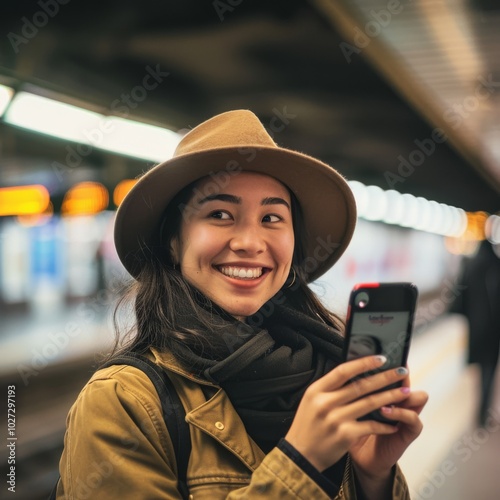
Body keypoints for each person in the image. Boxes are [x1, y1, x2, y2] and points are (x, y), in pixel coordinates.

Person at [55, 110, 428, 499]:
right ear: (173, 241)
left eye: (271, 217)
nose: (250, 242)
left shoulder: (329, 378)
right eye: (219, 214)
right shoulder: (123, 402)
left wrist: (372, 477)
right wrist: (300, 463)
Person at [450, 235, 500, 427]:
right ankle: (483, 413)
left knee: (480, 369)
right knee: (489, 369)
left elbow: (459, 297)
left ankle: (480, 411)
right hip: (493, 330)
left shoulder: (470, 266)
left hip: (475, 327)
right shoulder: (496, 265)